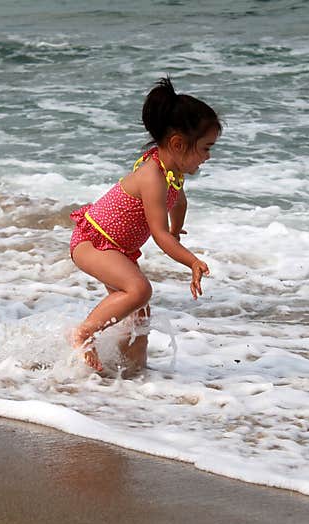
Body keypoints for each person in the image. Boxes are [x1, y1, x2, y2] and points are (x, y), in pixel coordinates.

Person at [68, 76, 221, 372]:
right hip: (94, 242)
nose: (208, 156)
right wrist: (190, 260)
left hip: (116, 249)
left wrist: (177, 229)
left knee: (140, 316)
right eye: (205, 148)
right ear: (178, 143)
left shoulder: (171, 173)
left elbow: (179, 203)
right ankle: (84, 333)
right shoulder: (152, 176)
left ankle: (131, 373)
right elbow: (159, 235)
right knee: (139, 290)